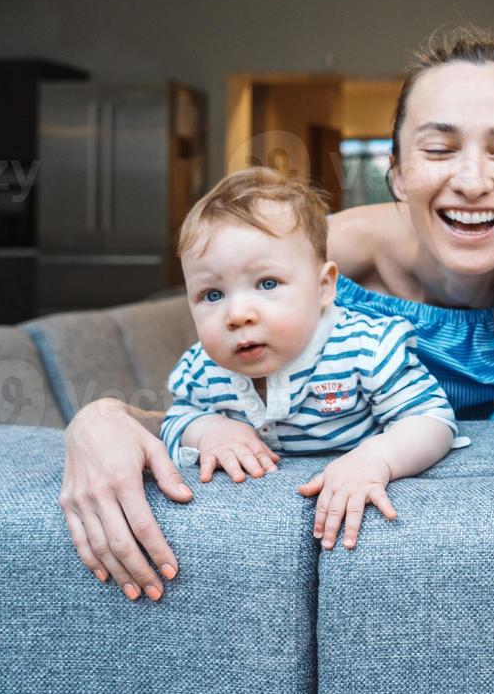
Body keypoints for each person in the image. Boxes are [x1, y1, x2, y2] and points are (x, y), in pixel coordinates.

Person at [58, 26, 494, 602]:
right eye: (439, 149)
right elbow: (227, 396)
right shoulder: (310, 265)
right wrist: (102, 418)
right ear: (394, 171)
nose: (471, 180)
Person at [162, 167, 461, 557]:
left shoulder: (364, 347)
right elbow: (173, 420)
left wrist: (376, 460)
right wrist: (205, 429)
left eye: (267, 284)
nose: (237, 314)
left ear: (324, 287)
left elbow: (432, 419)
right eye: (212, 295)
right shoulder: (204, 367)